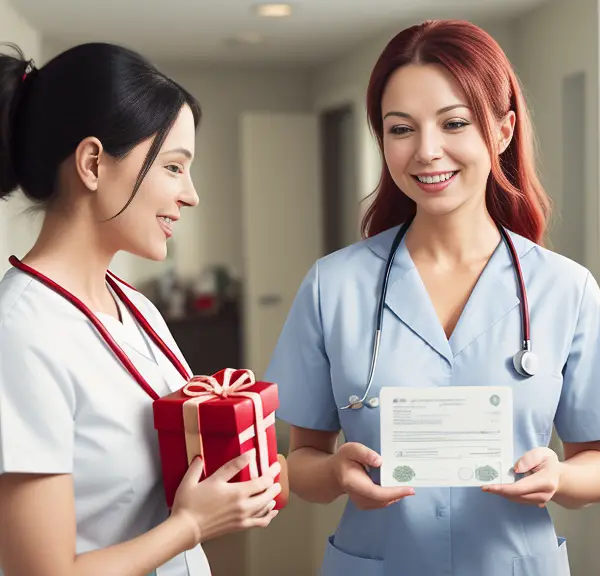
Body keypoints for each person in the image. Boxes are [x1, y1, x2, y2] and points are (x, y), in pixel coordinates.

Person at [265, 19, 600, 576]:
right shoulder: (334, 286)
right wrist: (333, 476)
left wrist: (561, 478)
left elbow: (594, 462)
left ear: (502, 131)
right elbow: (302, 462)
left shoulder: (566, 288)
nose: (427, 151)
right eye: (401, 129)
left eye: (455, 123)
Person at [0, 43, 282, 576]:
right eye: (174, 167)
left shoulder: (137, 308)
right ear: (92, 164)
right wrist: (191, 527)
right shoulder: (20, 334)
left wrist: (255, 479)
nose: (191, 194)